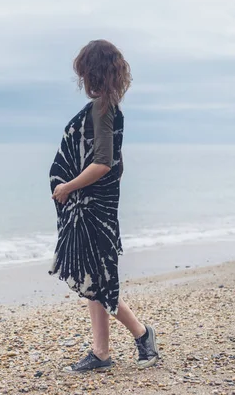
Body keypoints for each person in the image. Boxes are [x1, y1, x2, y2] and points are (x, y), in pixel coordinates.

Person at [49, 39, 159, 372]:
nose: (81, 79)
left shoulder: (104, 110)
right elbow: (117, 165)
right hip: (94, 207)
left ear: (92, 72)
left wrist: (68, 187)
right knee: (92, 280)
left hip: (94, 210)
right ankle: (101, 352)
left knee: (101, 282)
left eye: (84, 72)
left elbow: (103, 164)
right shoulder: (105, 108)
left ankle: (142, 335)